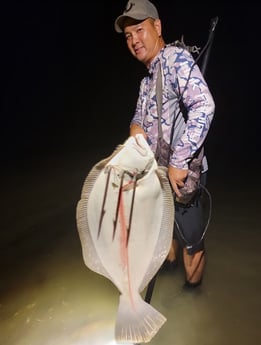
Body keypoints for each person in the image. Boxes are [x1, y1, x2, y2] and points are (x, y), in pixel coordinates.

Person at [114, 0, 215, 288]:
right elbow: (139, 115)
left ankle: (192, 295)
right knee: (164, 229)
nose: (134, 40)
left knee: (192, 244)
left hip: (183, 176)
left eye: (139, 30)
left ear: (157, 27)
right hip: (158, 175)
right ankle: (169, 273)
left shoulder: (173, 60)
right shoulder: (147, 79)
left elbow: (204, 106)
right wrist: (135, 127)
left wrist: (179, 160)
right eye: (128, 36)